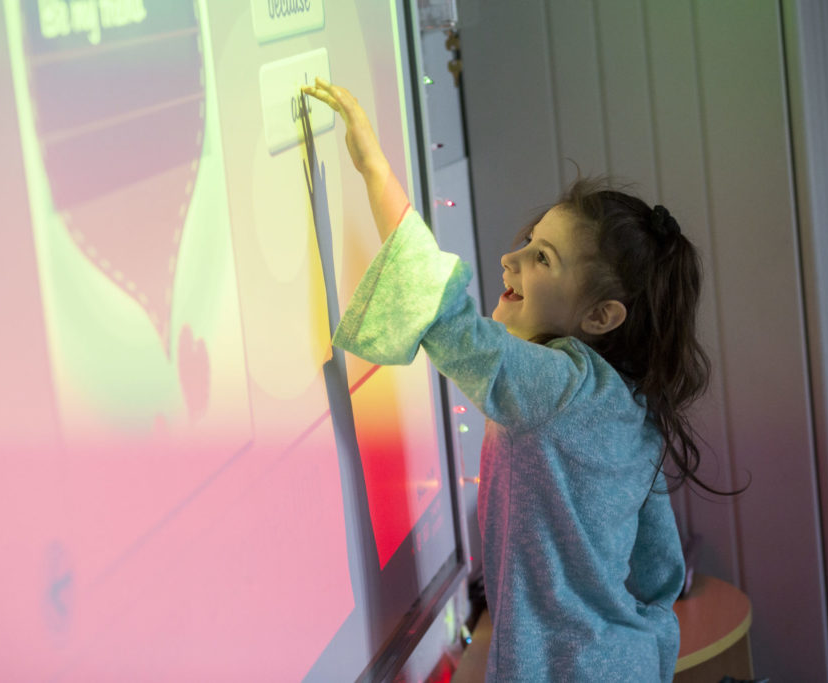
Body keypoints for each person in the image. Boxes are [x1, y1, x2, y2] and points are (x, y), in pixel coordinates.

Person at [303, 77, 728, 682]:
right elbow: (658, 573)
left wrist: (374, 169)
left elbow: (450, 323)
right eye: (528, 243)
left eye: (542, 258)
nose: (512, 259)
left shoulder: (560, 387)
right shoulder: (633, 408)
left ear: (600, 316)